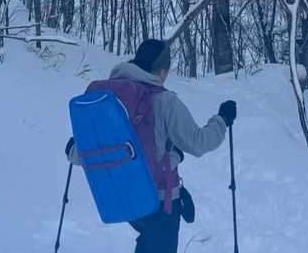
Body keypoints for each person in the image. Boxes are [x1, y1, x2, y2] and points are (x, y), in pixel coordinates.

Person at [67, 39, 236, 253]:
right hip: (159, 201)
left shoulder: (110, 97)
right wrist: (222, 120)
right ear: (162, 70)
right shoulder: (165, 101)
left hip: (124, 196)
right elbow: (198, 143)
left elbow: (93, 151)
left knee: (147, 240)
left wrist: (72, 150)